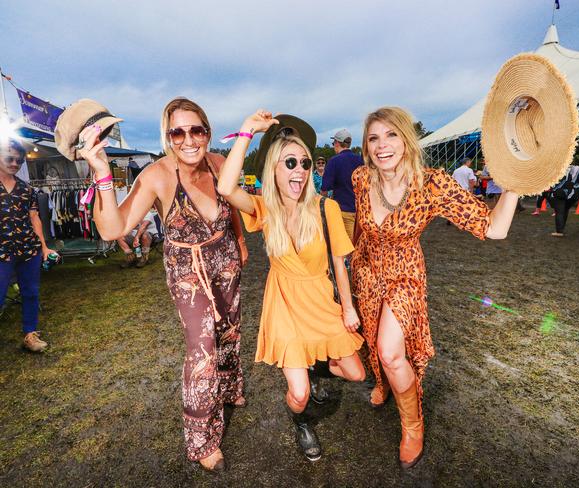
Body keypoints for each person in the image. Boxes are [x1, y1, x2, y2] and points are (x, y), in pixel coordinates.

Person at [78, 97, 248, 471]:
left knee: (230, 330)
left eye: (196, 130)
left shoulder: (219, 164)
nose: (189, 139)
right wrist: (102, 173)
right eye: (178, 132)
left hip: (226, 261)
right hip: (188, 269)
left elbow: (233, 206)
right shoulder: (156, 175)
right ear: (168, 137)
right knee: (202, 346)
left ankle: (231, 388)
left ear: (208, 132)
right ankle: (202, 441)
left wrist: (241, 241)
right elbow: (112, 229)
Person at [351, 107, 517, 469]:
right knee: (372, 339)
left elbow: (494, 228)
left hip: (405, 274)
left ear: (407, 139)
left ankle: (413, 425)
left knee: (391, 350)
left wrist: (516, 184)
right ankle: (382, 384)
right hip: (366, 272)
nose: (382, 145)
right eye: (374, 138)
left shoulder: (432, 183)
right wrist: (351, 264)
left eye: (391, 135)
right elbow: (360, 229)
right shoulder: (361, 177)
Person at [218, 110, 365, 462]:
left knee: (356, 373)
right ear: (273, 169)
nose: (299, 170)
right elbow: (225, 187)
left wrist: (347, 308)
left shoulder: (325, 207)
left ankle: (315, 364)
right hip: (283, 302)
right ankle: (300, 421)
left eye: (304, 163)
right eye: (289, 163)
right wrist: (245, 133)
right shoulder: (264, 209)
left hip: (320, 300)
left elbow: (339, 265)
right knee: (298, 394)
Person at [0, 139, 56, 352]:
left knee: (31, 292)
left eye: (19, 160)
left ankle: (30, 335)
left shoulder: (27, 189)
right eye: (9, 158)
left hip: (28, 249)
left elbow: (34, 218)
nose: (15, 163)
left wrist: (43, 247)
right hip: (2, 252)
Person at [321, 129, 364, 239]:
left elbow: (325, 188)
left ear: (336, 143)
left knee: (347, 249)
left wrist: (322, 208)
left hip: (343, 211)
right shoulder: (360, 160)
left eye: (333, 143)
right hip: (362, 212)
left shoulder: (334, 161)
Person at [548, 162, 579, 236]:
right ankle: (561, 229)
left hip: (559, 192)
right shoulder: (577, 168)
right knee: (565, 210)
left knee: (559, 211)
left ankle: (559, 231)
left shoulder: (555, 167)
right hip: (573, 193)